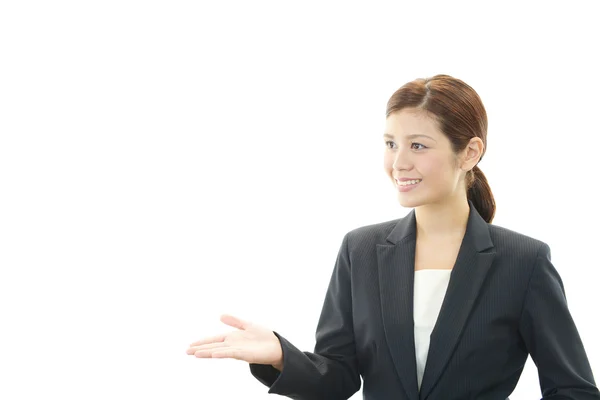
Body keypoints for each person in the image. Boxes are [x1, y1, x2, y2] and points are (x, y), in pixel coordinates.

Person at [186, 74, 600, 399]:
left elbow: (574, 389)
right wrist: (280, 356)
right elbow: (338, 377)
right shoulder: (360, 250)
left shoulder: (522, 261)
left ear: (470, 152)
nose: (398, 163)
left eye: (418, 145)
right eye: (390, 144)